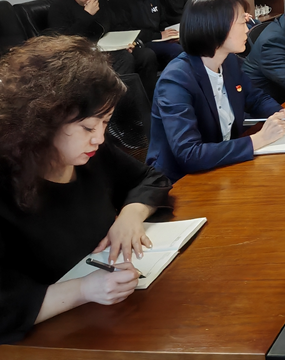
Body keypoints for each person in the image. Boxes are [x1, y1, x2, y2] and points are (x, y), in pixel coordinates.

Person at [0, 36, 172, 343]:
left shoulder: (89, 154)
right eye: (89, 127)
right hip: (48, 346)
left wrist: (129, 217)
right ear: (43, 121)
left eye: (106, 123)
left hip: (109, 318)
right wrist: (83, 290)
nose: (100, 138)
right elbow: (6, 307)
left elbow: (150, 179)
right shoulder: (6, 185)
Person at [147, 0, 285, 183]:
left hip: (223, 165)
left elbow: (255, 98)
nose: (247, 30)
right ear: (216, 27)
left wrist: (280, 113)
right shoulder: (176, 80)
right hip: (182, 181)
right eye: (242, 23)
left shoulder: (229, 62)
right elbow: (189, 154)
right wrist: (259, 139)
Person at [47, 0, 158, 100]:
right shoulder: (59, 7)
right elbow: (63, 40)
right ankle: (121, 106)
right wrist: (87, 15)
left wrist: (126, 42)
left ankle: (148, 102)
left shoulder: (102, 2)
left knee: (146, 55)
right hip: (81, 54)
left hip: (108, 48)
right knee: (124, 58)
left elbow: (115, 26)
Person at [108, 0, 181, 68]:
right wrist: (159, 35)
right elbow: (125, 31)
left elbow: (162, 20)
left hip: (158, 38)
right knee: (176, 50)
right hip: (140, 42)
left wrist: (170, 34)